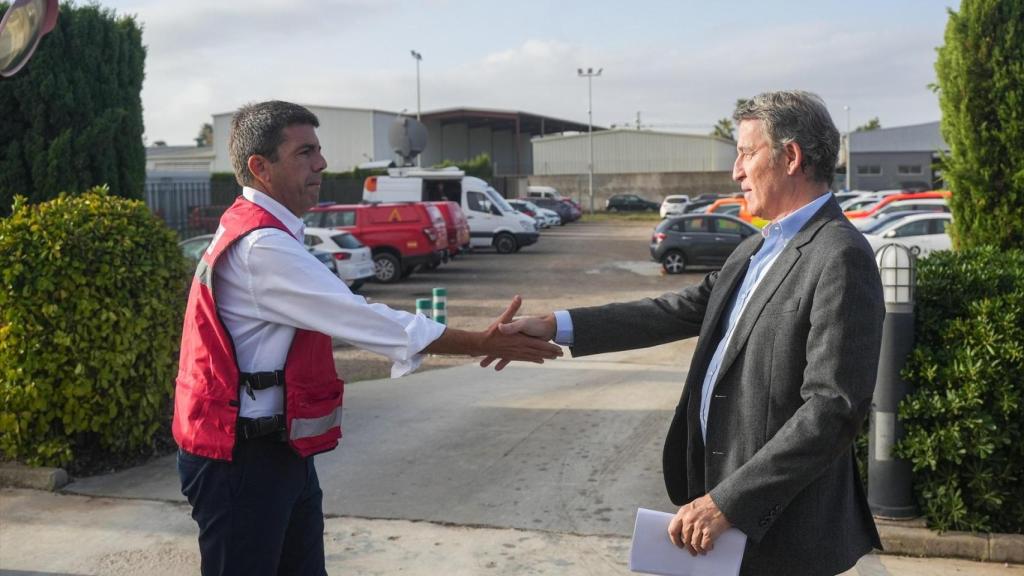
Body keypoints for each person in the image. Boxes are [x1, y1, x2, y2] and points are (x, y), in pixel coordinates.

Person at [494, 91, 885, 575]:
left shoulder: (839, 255)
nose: (736, 172)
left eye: (746, 152)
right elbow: (671, 310)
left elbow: (833, 408)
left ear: (790, 158)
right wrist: (558, 325)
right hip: (717, 519)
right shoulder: (755, 250)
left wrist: (729, 502)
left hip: (780, 535)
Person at [173, 100, 562, 576]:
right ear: (260, 167)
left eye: (318, 150)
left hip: (274, 450)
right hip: (246, 461)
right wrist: (482, 342)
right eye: (304, 152)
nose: (322, 163)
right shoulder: (262, 247)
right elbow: (365, 319)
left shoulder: (258, 229)